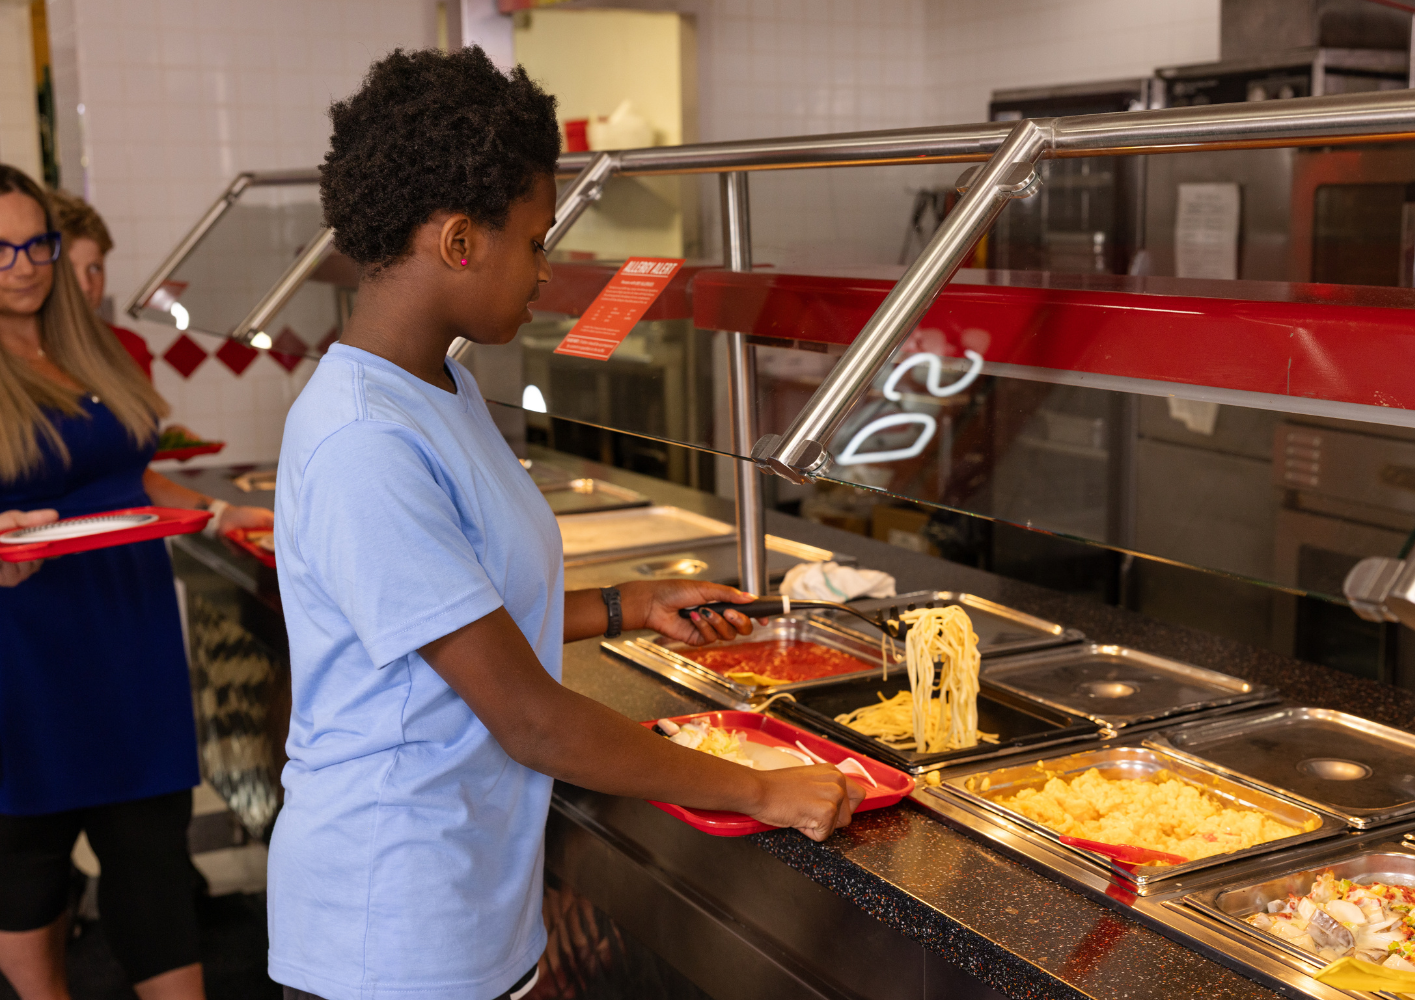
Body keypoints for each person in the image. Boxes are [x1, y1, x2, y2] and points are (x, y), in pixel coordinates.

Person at [268, 47, 861, 1000]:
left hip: (465, 901)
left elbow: (465, 605)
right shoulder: (360, 442)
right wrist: (763, 788)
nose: (545, 270)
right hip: (392, 928)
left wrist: (630, 603)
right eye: (537, 239)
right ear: (460, 242)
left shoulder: (438, 383)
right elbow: (531, 720)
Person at [0, 164, 268, 1000]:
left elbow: (132, 477)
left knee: (153, 864)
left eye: (36, 242)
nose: (26, 265)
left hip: (131, 632)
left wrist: (226, 516)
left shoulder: (85, 342)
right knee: (26, 875)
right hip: (27, 654)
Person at [49, 190, 153, 379]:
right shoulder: (19, 354)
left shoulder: (130, 348)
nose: (86, 285)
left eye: (95, 268)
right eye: (70, 269)